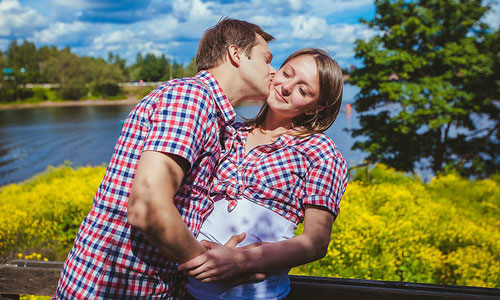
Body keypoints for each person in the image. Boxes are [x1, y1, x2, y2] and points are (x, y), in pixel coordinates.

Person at [53, 18, 274, 299]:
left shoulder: (210, 113)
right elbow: (147, 206)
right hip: (113, 288)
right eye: (267, 60)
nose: (274, 71)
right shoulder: (191, 99)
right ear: (236, 55)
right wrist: (210, 264)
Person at [179, 48, 348, 300]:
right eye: (287, 73)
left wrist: (241, 261)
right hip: (190, 290)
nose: (287, 87)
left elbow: (316, 242)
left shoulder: (319, 151)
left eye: (304, 90)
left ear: (314, 109)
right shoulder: (228, 131)